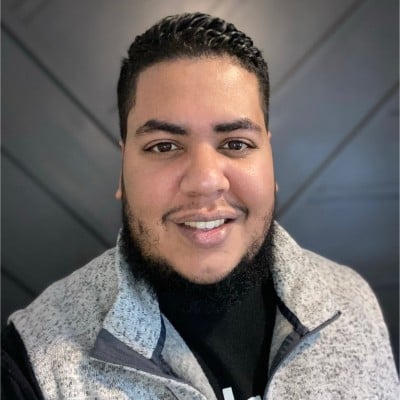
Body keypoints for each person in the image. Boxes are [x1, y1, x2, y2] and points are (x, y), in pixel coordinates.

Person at [2, 12, 398, 400]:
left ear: (270, 161)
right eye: (164, 146)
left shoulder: (353, 302)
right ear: (122, 171)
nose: (205, 181)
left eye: (236, 144)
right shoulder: (33, 359)